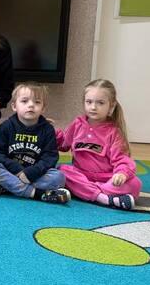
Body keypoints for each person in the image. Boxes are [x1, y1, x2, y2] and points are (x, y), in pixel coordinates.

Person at [55, 79, 142, 210]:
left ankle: (88, 192)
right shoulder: (77, 124)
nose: (93, 107)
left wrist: (122, 174)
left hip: (106, 178)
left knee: (135, 184)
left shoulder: (114, 131)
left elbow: (122, 159)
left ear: (111, 106)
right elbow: (63, 144)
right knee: (61, 171)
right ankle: (105, 198)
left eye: (100, 103)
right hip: (81, 175)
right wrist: (50, 132)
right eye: (89, 102)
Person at [0, 83, 70, 203]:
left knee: (59, 177)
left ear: (43, 108)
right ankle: (35, 193)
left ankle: (7, 187)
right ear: (14, 106)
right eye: (24, 101)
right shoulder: (6, 126)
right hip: (10, 171)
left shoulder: (47, 129)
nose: (31, 105)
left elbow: (50, 158)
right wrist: (17, 169)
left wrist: (31, 173)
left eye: (37, 102)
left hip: (35, 174)